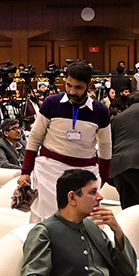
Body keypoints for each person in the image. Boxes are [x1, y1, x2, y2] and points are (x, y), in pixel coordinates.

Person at [19, 62, 112, 223]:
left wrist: (103, 177)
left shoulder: (101, 111)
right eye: (69, 85)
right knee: (43, 220)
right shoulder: (51, 103)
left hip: (85, 173)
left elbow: (105, 146)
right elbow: (35, 138)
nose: (72, 91)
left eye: (78, 87)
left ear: (89, 85)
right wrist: (25, 171)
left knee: (86, 221)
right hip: (49, 172)